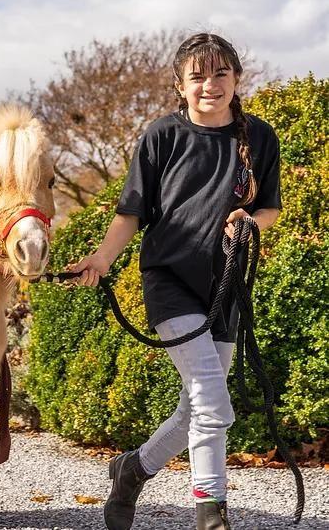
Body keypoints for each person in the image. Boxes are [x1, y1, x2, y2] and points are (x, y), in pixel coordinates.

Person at [72, 33, 282, 530]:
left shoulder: (259, 137)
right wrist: (101, 259)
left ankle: (132, 469)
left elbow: (268, 207)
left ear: (236, 79)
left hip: (225, 286)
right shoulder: (162, 135)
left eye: (220, 74)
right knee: (211, 398)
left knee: (195, 409)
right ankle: (212, 515)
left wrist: (250, 222)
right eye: (197, 76)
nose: (209, 85)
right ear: (179, 84)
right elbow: (130, 213)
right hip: (169, 281)